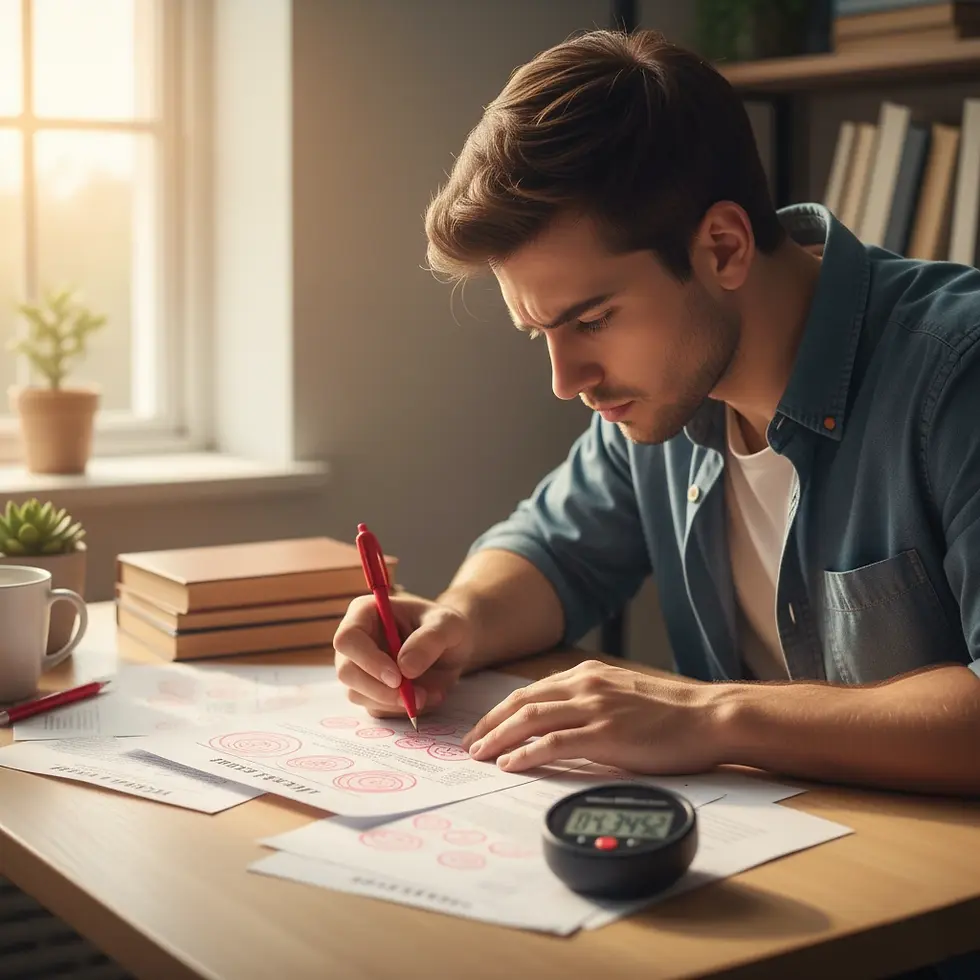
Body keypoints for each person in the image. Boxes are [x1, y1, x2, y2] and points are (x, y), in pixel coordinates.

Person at [334, 29, 980, 797]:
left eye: (592, 320)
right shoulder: (661, 402)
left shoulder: (957, 374)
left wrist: (709, 717)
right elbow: (550, 552)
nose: (565, 380)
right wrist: (455, 623)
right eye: (540, 333)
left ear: (724, 247)